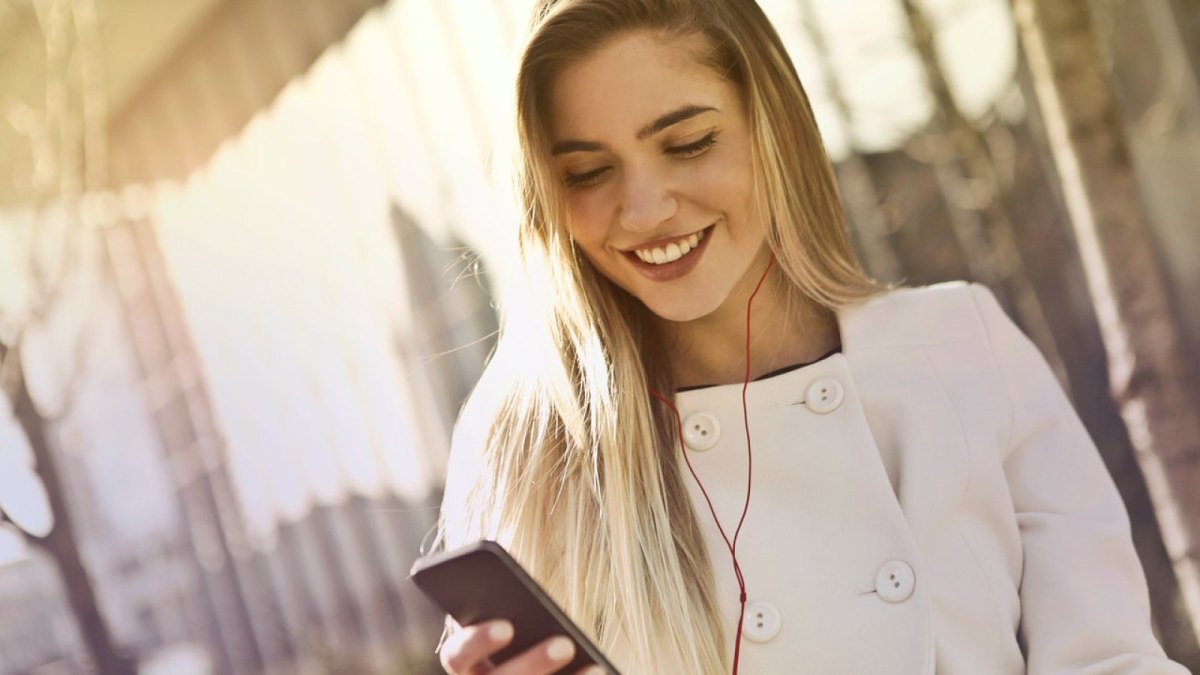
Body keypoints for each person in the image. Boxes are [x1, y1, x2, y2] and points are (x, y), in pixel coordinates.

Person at [431, 0, 1189, 673]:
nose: (642, 208)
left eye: (688, 142)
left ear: (775, 127)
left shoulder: (959, 346)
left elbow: (1109, 658)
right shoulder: (530, 446)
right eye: (589, 173)